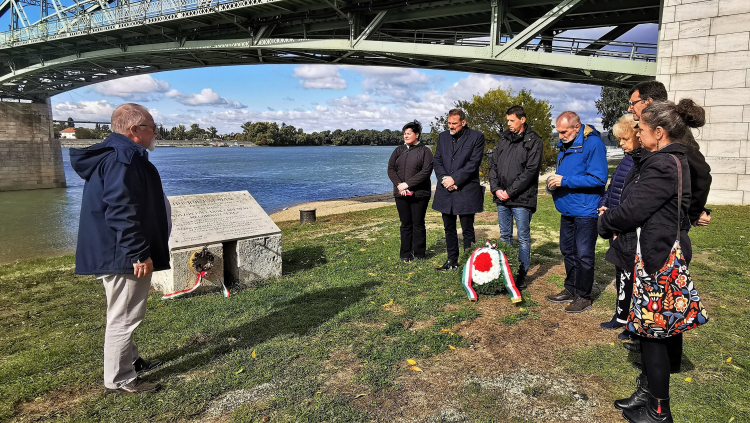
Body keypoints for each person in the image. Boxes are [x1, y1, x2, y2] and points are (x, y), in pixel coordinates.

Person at [599, 99, 703, 423]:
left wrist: (605, 223)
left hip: (658, 257)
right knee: (651, 332)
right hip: (660, 250)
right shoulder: (672, 160)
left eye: (641, 129)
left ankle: (659, 411)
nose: (637, 133)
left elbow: (634, 209)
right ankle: (646, 394)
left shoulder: (663, 165)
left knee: (652, 334)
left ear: (658, 133)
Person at [70, 103, 170, 394]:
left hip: (117, 250)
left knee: (123, 311)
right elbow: (119, 209)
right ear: (134, 130)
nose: (155, 132)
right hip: (122, 254)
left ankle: (132, 361)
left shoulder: (118, 154)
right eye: (152, 126)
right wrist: (138, 251)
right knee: (125, 316)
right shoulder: (122, 159)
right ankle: (120, 379)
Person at [545, 111, 608, 313]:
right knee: (568, 251)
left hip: (586, 209)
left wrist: (565, 181)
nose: (560, 136)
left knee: (584, 255)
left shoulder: (594, 145)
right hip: (568, 208)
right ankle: (570, 289)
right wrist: (554, 183)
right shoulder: (564, 146)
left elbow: (599, 179)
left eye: (564, 131)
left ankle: (583, 295)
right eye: (559, 132)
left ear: (577, 127)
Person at [628, 80, 712, 228]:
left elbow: (701, 172)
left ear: (648, 102)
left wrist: (692, 213)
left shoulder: (675, 133)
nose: (629, 109)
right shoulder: (649, 132)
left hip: (662, 227)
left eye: (633, 103)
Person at [488, 105, 543, 289]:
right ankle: (506, 270)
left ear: (522, 119)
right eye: (507, 120)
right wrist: (496, 188)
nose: (509, 124)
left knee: (523, 238)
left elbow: (530, 172)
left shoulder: (534, 141)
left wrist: (510, 191)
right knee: (504, 236)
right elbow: (493, 164)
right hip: (501, 197)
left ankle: (521, 275)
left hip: (522, 198)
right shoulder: (503, 138)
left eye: (512, 120)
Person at [598, 114, 639, 330]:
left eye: (624, 139)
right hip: (614, 221)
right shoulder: (627, 159)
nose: (621, 144)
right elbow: (613, 188)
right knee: (621, 273)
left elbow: (632, 199)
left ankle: (627, 316)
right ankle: (621, 314)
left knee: (628, 275)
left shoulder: (640, 162)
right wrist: (605, 204)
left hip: (624, 228)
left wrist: (615, 218)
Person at [432, 108, 486, 271]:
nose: (451, 126)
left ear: (463, 122)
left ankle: (470, 263)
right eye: (449, 123)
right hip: (445, 189)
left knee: (467, 229)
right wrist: (444, 179)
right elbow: (437, 160)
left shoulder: (477, 137)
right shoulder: (442, 137)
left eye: (454, 123)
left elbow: (473, 163)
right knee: (449, 228)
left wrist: (455, 179)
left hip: (466, 189)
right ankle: (451, 261)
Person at [387, 120, 434, 262]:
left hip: (420, 194)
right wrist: (399, 185)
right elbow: (391, 169)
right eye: (404, 134)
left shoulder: (425, 151)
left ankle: (419, 254)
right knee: (405, 224)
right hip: (401, 193)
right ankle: (405, 254)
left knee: (418, 223)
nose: (406, 136)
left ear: (417, 134)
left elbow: (426, 171)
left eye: (409, 133)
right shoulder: (398, 150)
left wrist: (408, 184)